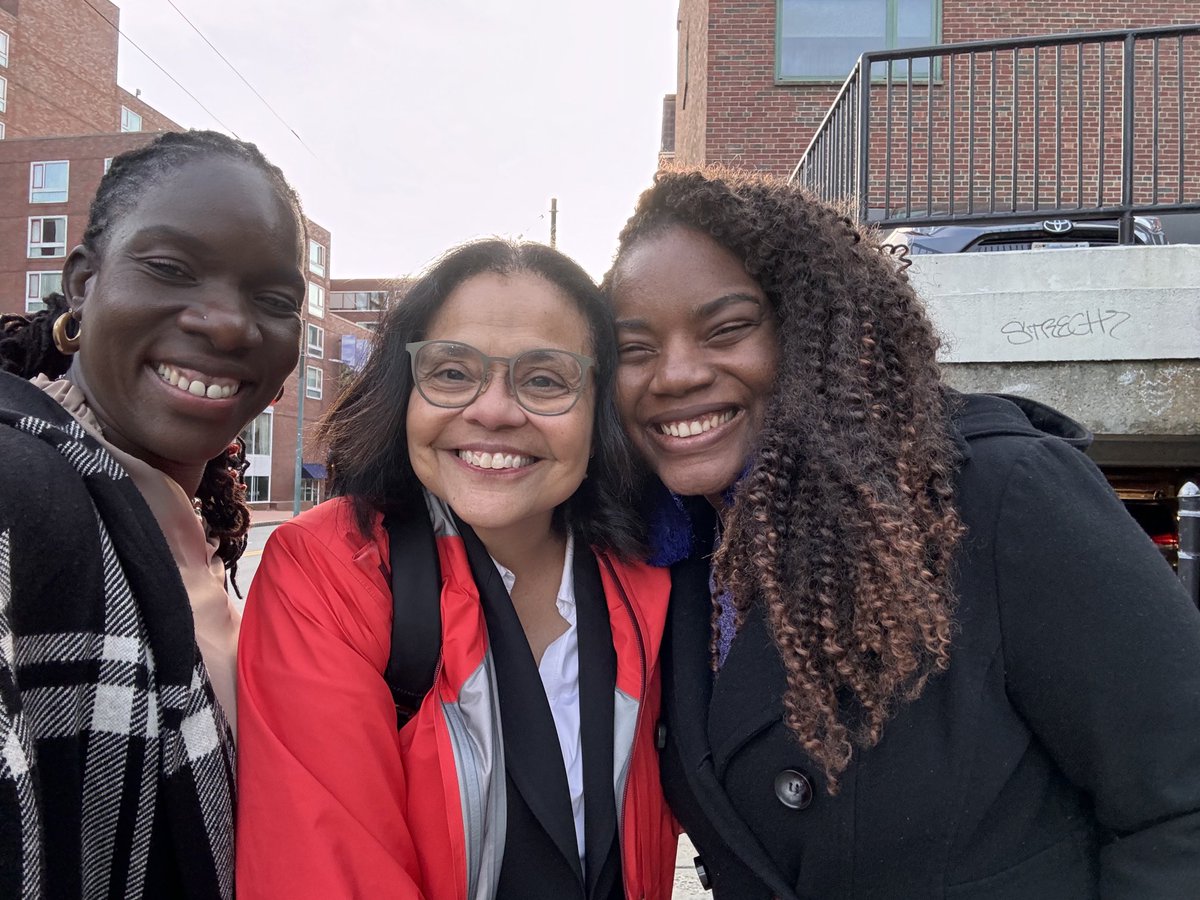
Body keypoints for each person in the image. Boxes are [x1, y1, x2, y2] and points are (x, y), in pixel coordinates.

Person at [602, 168, 1200, 899]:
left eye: (727, 329)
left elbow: (1179, 804)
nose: (675, 374)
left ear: (812, 328)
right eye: (636, 349)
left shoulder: (998, 496)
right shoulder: (675, 558)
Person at [236, 239, 677, 899]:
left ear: (599, 408)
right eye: (450, 372)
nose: (493, 410)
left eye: (546, 379)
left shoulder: (653, 583)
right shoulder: (329, 572)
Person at [0, 130, 307, 899]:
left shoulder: (179, 529)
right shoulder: (21, 488)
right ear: (82, 283)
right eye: (171, 269)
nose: (229, 325)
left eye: (273, 300)